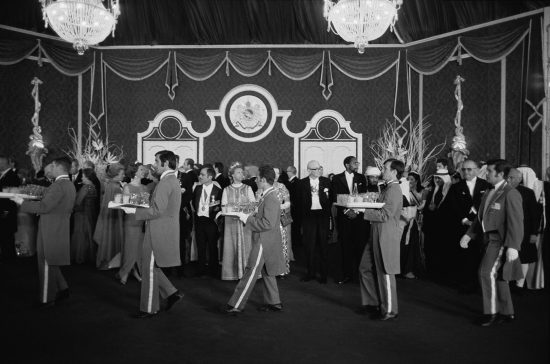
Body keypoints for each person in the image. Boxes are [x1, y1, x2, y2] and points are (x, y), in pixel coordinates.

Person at [460, 159, 523, 326]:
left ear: (501, 174)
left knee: (485, 273)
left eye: (489, 171)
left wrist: (514, 246)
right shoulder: (488, 192)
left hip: (500, 240)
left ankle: (491, 312)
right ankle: (507, 312)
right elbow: (479, 219)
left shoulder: (510, 193)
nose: (485, 173)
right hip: (487, 239)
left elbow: (516, 222)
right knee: (499, 276)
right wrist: (469, 235)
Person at [122, 150, 183, 318]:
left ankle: (149, 308)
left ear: (165, 163)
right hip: (162, 228)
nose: (154, 165)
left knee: (147, 268)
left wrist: (132, 211)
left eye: (156, 162)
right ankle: (172, 293)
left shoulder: (165, 182)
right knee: (150, 266)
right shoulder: (170, 180)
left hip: (157, 230)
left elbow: (156, 210)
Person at [12, 157, 76, 307]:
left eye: (51, 166)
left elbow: (44, 207)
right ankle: (63, 288)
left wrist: (21, 202)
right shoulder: (69, 185)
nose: (49, 169)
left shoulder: (58, 185)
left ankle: (47, 298)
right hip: (60, 227)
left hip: (50, 228)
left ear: (57, 166)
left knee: (45, 262)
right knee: (52, 260)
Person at [225, 165, 286, 314]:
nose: (256, 180)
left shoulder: (270, 197)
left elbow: (267, 223)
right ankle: (274, 302)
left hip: (264, 240)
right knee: (267, 271)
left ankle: (236, 304)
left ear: (263, 180)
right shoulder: (268, 195)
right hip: (267, 239)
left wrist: (246, 218)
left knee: (250, 271)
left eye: (257, 178)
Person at [358, 158, 404, 321]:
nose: (381, 171)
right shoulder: (387, 188)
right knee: (364, 267)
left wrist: (362, 210)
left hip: (385, 234)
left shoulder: (394, 189)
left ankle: (390, 310)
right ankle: (372, 303)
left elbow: (385, 215)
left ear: (394, 172)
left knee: (385, 271)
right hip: (375, 232)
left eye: (384, 168)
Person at [448, 160, 492, 293]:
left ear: (477, 170)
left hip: (482, 228)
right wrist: (465, 220)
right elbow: (453, 206)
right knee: (465, 256)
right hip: (463, 227)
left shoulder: (487, 185)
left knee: (481, 256)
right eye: (464, 170)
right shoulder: (455, 187)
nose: (466, 172)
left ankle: (480, 285)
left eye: (469, 169)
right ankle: (466, 284)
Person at [331, 156, 367, 284]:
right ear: (347, 165)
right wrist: (347, 211)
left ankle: (360, 276)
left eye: (357, 162)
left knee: (360, 246)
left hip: (359, 218)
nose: (357, 164)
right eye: (354, 162)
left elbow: (364, 196)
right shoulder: (336, 178)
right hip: (344, 217)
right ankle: (347, 275)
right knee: (345, 246)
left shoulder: (362, 177)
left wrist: (356, 211)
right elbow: (335, 198)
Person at [298, 160, 332, 284]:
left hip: (322, 216)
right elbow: (298, 202)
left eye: (319, 168)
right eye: (316, 169)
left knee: (324, 246)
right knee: (309, 246)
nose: (319, 170)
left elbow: (331, 198)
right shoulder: (302, 183)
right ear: (309, 170)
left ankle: (323, 274)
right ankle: (310, 273)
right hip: (308, 217)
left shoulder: (326, 181)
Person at [507, 168, 540, 291]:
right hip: (508, 231)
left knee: (524, 258)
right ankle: (509, 282)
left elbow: (534, 215)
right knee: (510, 258)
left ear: (520, 179)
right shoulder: (502, 191)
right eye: (508, 177)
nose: (508, 180)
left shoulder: (528, 192)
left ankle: (520, 285)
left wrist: (534, 233)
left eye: (512, 177)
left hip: (525, 231)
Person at [221, 162, 255, 280]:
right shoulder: (226, 190)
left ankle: (248, 272)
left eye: (242, 172)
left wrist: (242, 209)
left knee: (247, 245)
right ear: (232, 175)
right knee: (231, 247)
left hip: (245, 222)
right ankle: (231, 273)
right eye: (238, 172)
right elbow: (224, 206)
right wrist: (238, 207)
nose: (241, 174)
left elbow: (253, 204)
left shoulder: (248, 188)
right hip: (230, 222)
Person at [117, 164, 148, 284]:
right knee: (129, 248)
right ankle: (124, 272)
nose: (144, 171)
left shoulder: (145, 188)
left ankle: (135, 271)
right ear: (135, 172)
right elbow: (125, 205)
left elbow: (146, 205)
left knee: (138, 249)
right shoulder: (127, 187)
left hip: (141, 221)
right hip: (130, 220)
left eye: (144, 170)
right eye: (141, 169)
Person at [93, 163, 125, 270]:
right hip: (115, 216)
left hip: (111, 215)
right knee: (113, 235)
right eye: (121, 173)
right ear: (116, 174)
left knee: (110, 236)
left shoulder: (112, 185)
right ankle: (111, 260)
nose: (123, 175)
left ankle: (110, 259)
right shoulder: (115, 186)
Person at [193, 166, 223, 277]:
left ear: (210, 177)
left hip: (211, 221)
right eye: (200, 174)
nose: (199, 176)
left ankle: (213, 271)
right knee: (200, 246)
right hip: (199, 220)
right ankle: (200, 270)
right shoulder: (197, 188)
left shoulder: (218, 190)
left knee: (212, 246)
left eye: (202, 175)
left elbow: (220, 206)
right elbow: (193, 202)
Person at [400, 171, 426, 279]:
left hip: (415, 219)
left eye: (411, 179)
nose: (409, 181)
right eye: (407, 179)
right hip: (403, 220)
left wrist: (413, 208)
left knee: (414, 244)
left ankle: (411, 268)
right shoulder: (404, 189)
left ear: (416, 180)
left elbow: (422, 206)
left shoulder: (423, 190)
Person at [71, 168, 100, 264]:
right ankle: (87, 255)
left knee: (80, 235)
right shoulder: (93, 187)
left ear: (87, 177)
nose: (81, 178)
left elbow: (78, 202)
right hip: (90, 213)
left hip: (81, 213)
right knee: (88, 234)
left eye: (83, 176)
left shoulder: (85, 187)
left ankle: (80, 256)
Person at [178, 158, 198, 268]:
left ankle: (183, 262)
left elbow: (190, 194)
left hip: (184, 210)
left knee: (183, 236)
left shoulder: (187, 176)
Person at [273, 167, 292, 274]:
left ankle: (281, 270)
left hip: (279, 219)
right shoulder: (264, 187)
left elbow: (288, 202)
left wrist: (279, 207)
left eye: (277, 173)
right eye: (274, 173)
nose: (276, 175)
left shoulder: (282, 186)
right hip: (267, 220)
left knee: (281, 244)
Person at [285, 165, 301, 247]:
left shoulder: (297, 182)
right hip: (290, 208)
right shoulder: (290, 182)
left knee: (295, 228)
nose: (286, 173)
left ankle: (295, 245)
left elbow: (297, 197)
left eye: (287, 171)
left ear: (291, 172)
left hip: (294, 209)